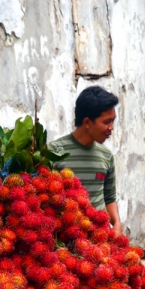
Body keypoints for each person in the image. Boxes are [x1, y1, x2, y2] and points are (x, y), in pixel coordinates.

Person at [49, 86, 122, 235]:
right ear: (87, 122)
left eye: (113, 121)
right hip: (68, 238)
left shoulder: (106, 155)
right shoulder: (54, 152)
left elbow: (109, 197)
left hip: (101, 237)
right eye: (107, 122)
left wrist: (117, 223)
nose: (111, 128)